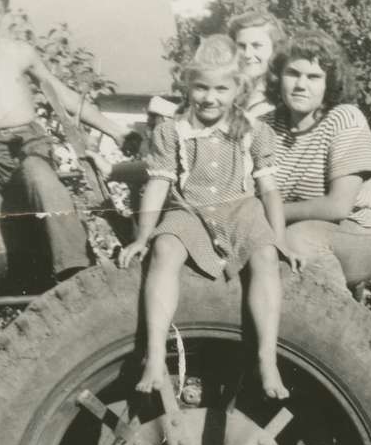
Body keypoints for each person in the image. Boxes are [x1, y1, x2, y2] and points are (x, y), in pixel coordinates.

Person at [110, 35, 300, 399]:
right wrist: (143, 235)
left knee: (264, 256)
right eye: (201, 88)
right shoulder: (172, 131)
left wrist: (279, 239)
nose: (210, 98)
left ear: (237, 89)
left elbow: (269, 190)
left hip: (241, 208)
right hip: (190, 210)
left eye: (220, 89)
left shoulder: (253, 131)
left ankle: (267, 356)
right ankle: (153, 355)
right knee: (164, 250)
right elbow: (158, 185)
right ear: (188, 86)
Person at [0, 0, 134, 299]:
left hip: (29, 144)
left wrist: (115, 130)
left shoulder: (19, 52)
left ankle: (75, 270)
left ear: (4, 14)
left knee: (40, 176)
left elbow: (64, 96)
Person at [263, 29, 371, 287]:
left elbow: (338, 206)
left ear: (328, 83)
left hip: (354, 233)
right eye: (293, 73)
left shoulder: (344, 118)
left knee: (298, 238)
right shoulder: (264, 126)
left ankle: (338, 321)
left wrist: (269, 211)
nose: (301, 85)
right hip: (282, 230)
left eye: (313, 77)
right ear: (279, 78)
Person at [228, 11, 285, 118]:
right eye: (241, 46)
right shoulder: (228, 90)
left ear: (275, 48)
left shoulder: (281, 95)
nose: (247, 54)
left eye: (256, 45)